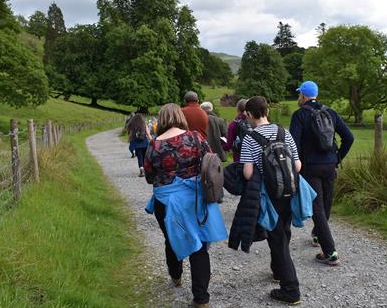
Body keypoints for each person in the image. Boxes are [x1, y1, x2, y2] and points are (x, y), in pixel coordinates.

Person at [144, 103, 227, 308]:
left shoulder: (154, 146)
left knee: (171, 239)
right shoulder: (195, 138)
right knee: (199, 246)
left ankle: (176, 275)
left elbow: (149, 177)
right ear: (180, 117)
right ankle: (201, 298)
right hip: (195, 198)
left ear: (162, 119)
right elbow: (210, 163)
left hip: (166, 201)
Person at [240, 96, 302, 305]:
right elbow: (298, 165)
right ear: (266, 111)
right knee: (283, 231)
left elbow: (248, 173)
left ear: (249, 114)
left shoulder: (250, 138)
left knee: (277, 240)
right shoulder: (285, 133)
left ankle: (290, 289)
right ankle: (278, 272)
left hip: (268, 195)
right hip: (289, 191)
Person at [289, 80, 354, 266]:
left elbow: (294, 144)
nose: (298, 98)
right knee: (326, 202)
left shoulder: (300, 115)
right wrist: (338, 157)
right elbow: (349, 137)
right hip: (329, 164)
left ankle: (330, 252)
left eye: (299, 94)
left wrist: (296, 166)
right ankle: (318, 235)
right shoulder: (331, 112)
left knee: (317, 207)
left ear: (303, 95)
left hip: (310, 166)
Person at [126, 113, 152, 177]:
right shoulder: (144, 125)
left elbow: (131, 135)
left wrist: (130, 141)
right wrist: (152, 141)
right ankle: (147, 170)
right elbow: (148, 134)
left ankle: (142, 170)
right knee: (145, 157)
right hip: (145, 143)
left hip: (137, 145)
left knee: (139, 157)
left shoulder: (133, 125)